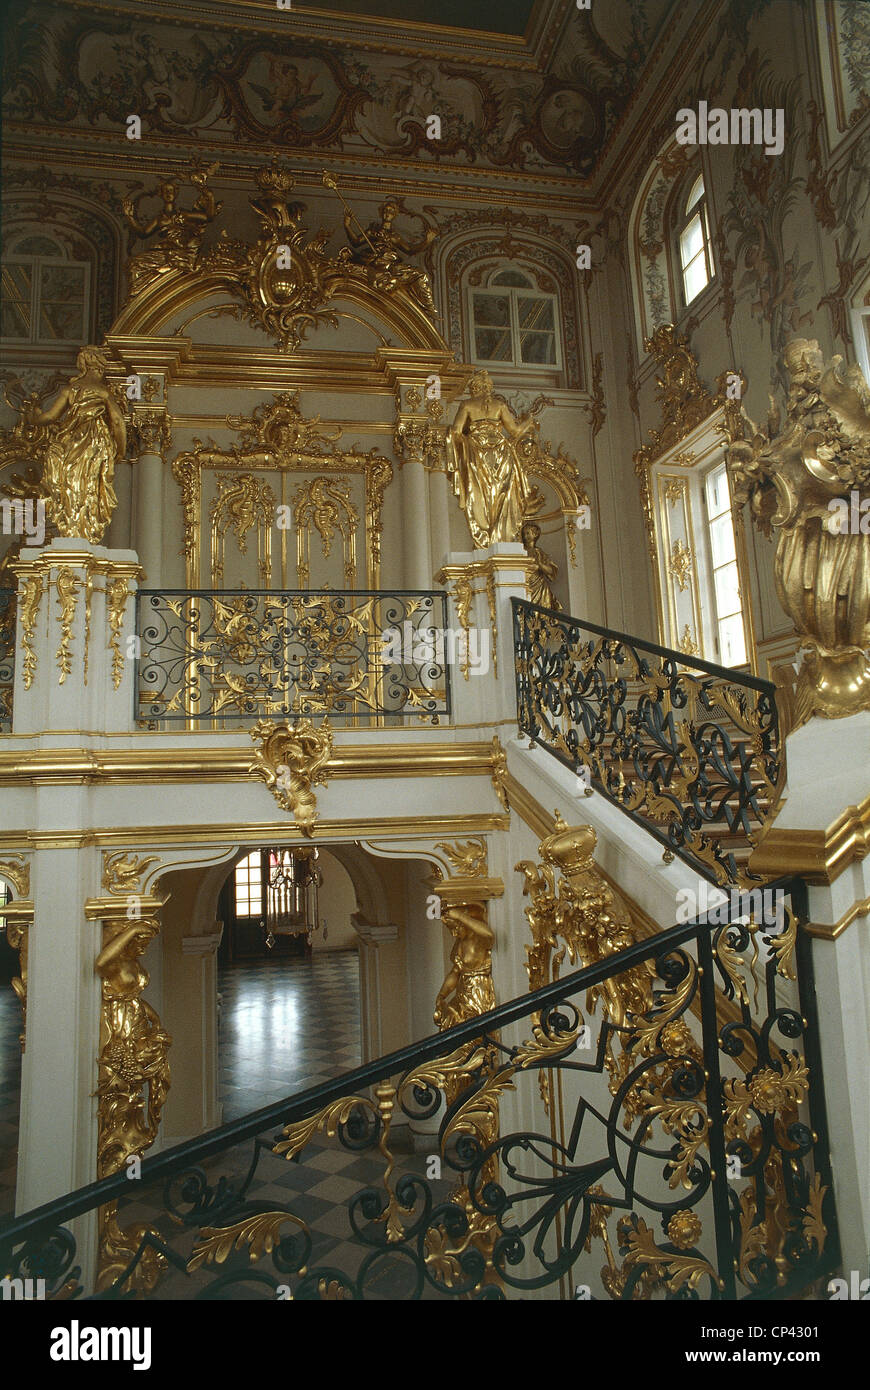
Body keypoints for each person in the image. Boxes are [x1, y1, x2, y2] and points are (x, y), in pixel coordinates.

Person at [27, 347, 126, 544]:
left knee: (71, 485)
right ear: (99, 366)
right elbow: (117, 421)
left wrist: (32, 415)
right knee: (91, 486)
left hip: (71, 443)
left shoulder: (70, 390)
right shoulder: (104, 392)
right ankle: (85, 530)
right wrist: (120, 450)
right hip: (96, 445)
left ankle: (72, 528)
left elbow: (49, 417)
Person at [448, 370, 534, 548]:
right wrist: (528, 421)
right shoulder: (499, 405)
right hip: (501, 453)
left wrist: (461, 444)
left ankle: (486, 537)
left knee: (479, 495)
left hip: (477, 454)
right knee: (504, 493)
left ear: (474, 388)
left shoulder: (467, 405)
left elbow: (455, 432)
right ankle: (502, 537)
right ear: (488, 387)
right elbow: (516, 432)